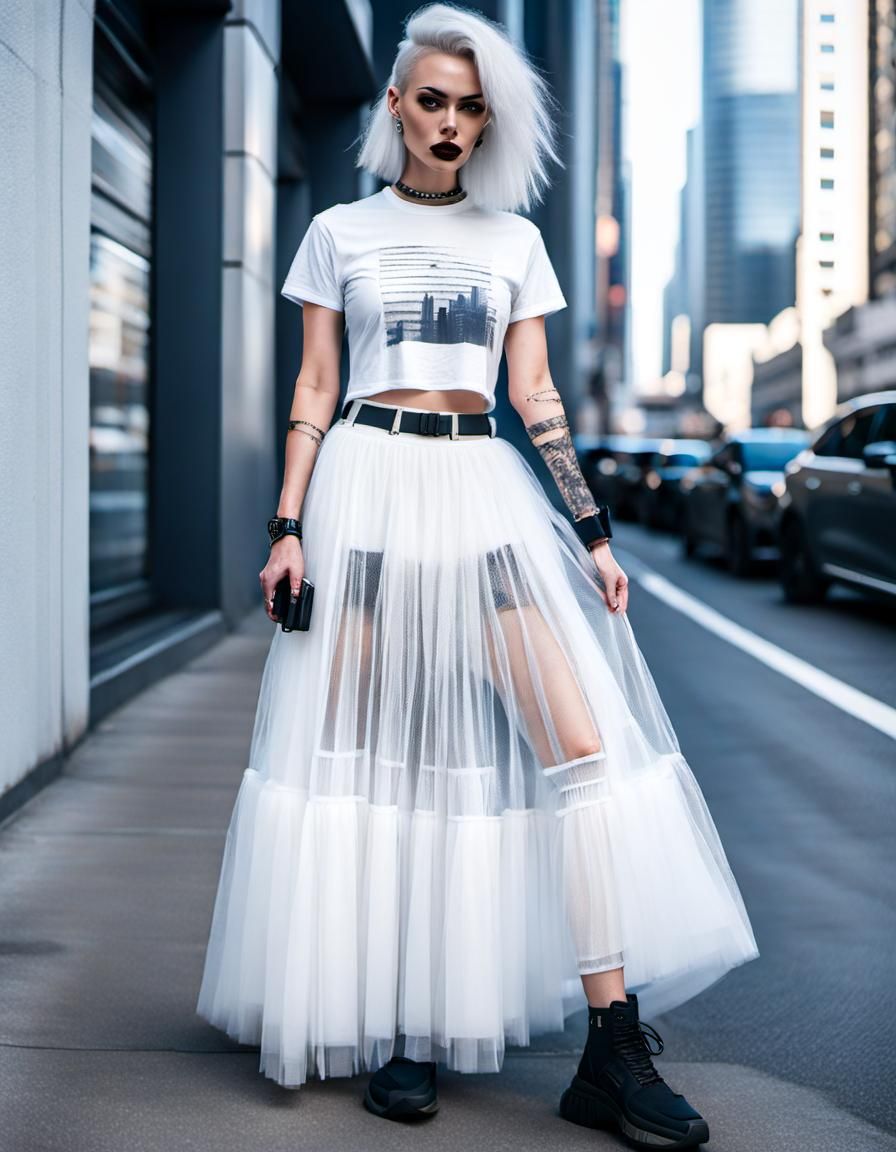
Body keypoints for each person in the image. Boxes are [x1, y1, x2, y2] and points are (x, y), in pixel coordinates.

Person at [196, 5, 759, 1147]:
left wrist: (593, 535)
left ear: (482, 121)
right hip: (363, 492)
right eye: (431, 100)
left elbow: (535, 398)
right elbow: (311, 389)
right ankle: (404, 1026)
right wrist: (286, 526)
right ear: (394, 104)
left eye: (469, 106)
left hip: (482, 496)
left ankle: (610, 1045)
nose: (449, 122)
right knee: (382, 762)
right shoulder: (339, 234)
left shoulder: (514, 242)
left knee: (580, 748)